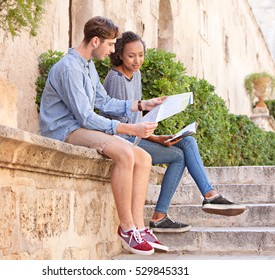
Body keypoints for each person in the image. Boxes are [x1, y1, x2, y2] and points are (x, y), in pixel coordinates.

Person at [39, 17, 169, 255]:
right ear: (95, 41)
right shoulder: (69, 68)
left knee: (144, 158)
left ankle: (140, 226)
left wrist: (143, 104)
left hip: (81, 127)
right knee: (125, 153)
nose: (112, 50)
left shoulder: (87, 66)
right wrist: (130, 129)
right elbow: (86, 117)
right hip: (65, 130)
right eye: (110, 45)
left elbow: (104, 101)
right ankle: (127, 228)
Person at [100, 31, 246, 233]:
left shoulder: (136, 76)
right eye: (131, 55)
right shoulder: (116, 78)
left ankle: (208, 196)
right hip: (121, 140)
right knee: (178, 157)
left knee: (187, 142)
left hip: (135, 136)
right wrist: (155, 138)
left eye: (141, 55)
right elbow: (122, 124)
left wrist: (156, 130)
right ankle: (165, 213)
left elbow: (135, 116)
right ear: (120, 55)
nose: (137, 60)